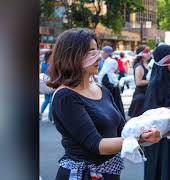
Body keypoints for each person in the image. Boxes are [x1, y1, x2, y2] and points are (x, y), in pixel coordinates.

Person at [47, 28, 162, 180]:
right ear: (73, 56)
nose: (98, 57)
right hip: (82, 176)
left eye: (97, 51)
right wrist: (140, 137)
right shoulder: (65, 96)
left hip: (109, 173)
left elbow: (124, 129)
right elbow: (97, 145)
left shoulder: (101, 89)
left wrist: (161, 127)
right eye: (91, 52)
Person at [144, 44, 170, 180]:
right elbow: (152, 111)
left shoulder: (169, 78)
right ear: (163, 63)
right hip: (160, 135)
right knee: (161, 167)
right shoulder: (156, 83)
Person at [128, 45, 150, 117]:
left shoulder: (146, 64)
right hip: (140, 97)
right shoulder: (139, 66)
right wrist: (151, 81)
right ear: (141, 54)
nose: (149, 53)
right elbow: (138, 82)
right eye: (146, 52)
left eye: (149, 51)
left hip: (146, 95)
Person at [40, 50, 54, 122]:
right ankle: (50, 116)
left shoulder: (42, 64)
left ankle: (41, 112)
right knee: (51, 100)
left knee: (46, 100)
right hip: (51, 84)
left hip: (44, 85)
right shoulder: (52, 65)